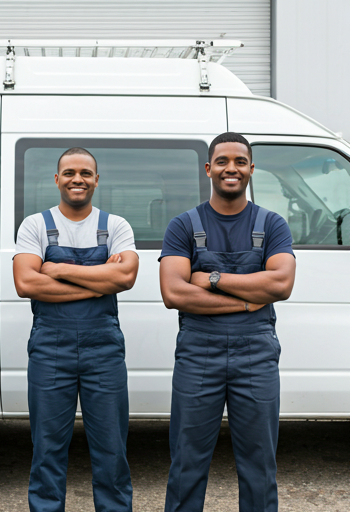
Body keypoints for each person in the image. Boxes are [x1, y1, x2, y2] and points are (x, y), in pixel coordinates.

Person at [159, 132, 296, 512]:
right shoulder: (183, 225)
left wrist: (214, 279)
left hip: (256, 355)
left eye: (239, 161)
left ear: (251, 168)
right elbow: (174, 293)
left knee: (259, 466)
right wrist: (250, 300)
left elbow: (281, 283)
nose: (230, 169)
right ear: (208, 169)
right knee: (187, 463)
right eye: (222, 161)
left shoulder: (273, 224)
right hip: (198, 353)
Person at [13, 147, 139, 512]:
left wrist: (57, 269)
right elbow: (26, 284)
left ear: (96, 180)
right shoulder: (35, 225)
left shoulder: (116, 226)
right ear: (57, 180)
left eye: (85, 173)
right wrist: (101, 279)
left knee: (112, 449)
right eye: (69, 172)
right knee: (48, 450)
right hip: (51, 350)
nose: (77, 179)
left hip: (104, 351)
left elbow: (127, 276)